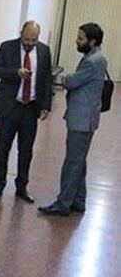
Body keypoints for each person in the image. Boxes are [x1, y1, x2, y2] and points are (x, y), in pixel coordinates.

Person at [39, 23, 108, 216]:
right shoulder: (96, 57)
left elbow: (70, 81)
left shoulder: (92, 61)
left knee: (72, 162)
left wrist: (67, 78)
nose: (77, 41)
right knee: (79, 160)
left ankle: (63, 204)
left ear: (92, 41)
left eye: (81, 38)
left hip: (82, 119)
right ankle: (78, 200)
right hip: (86, 117)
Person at [0, 20, 53, 203]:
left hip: (30, 108)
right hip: (10, 106)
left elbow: (47, 79)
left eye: (34, 40)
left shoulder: (43, 51)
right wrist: (15, 72)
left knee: (26, 150)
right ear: (21, 33)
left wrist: (45, 106)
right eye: (27, 39)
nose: (30, 43)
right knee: (3, 148)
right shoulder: (7, 47)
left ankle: (22, 187)